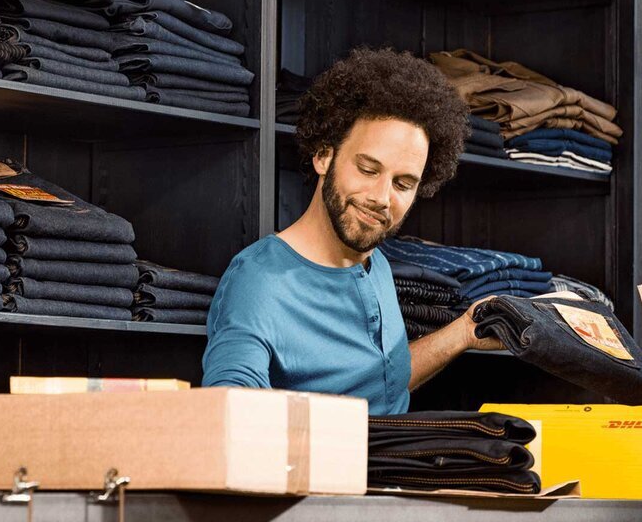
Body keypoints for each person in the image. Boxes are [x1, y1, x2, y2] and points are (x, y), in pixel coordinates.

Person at [201, 47, 501, 414]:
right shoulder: (259, 281)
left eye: (403, 184)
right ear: (324, 155)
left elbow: (379, 387)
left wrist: (463, 332)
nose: (382, 198)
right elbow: (228, 410)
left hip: (395, 468)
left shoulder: (378, 266)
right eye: (368, 170)